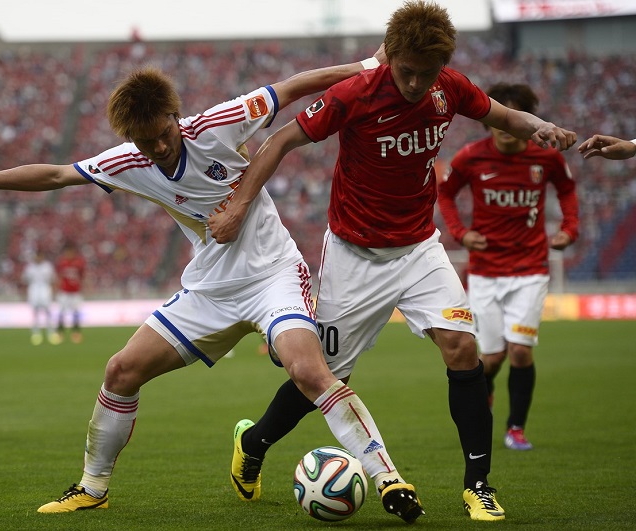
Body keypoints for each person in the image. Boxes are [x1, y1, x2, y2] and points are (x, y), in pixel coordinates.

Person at [0, 58, 424, 522]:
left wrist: (369, 65)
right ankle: (91, 488)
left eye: (163, 133)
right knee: (120, 370)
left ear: (174, 115)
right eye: (146, 142)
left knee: (309, 370)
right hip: (210, 288)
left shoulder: (220, 123)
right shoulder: (127, 162)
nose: (158, 148)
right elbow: (57, 174)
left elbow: (294, 87)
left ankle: (388, 477)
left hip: (273, 274)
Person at [209, 0, 577, 522]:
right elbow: (284, 138)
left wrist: (537, 125)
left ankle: (478, 484)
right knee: (320, 376)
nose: (416, 84)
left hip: (419, 248)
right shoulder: (355, 93)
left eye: (426, 74)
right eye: (407, 71)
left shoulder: (449, 85)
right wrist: (241, 204)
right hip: (355, 256)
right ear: (390, 57)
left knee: (462, 348)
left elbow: (500, 114)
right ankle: (255, 443)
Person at [437, 83, 579, 451]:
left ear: (525, 120)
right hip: (484, 271)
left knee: (519, 351)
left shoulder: (545, 158)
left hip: (530, 267)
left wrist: (568, 229)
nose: (502, 125)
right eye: (498, 115)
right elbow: (446, 193)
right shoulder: (471, 158)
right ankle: (487, 390)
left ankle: (516, 427)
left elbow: (566, 189)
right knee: (493, 357)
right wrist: (461, 233)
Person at [22, 248, 60, 346]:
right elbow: (25, 280)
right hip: (34, 289)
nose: (38, 258)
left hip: (45, 289)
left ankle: (51, 333)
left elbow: (53, 279)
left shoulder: (47, 266)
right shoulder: (30, 267)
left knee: (48, 312)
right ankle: (36, 334)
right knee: (35, 313)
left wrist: (53, 291)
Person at [54, 241, 86, 344]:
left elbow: (82, 276)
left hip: (75, 292)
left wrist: (84, 287)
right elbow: (59, 276)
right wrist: (56, 288)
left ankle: (76, 333)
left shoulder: (79, 263)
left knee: (76, 313)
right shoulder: (62, 263)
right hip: (64, 292)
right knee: (61, 312)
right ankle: (60, 333)